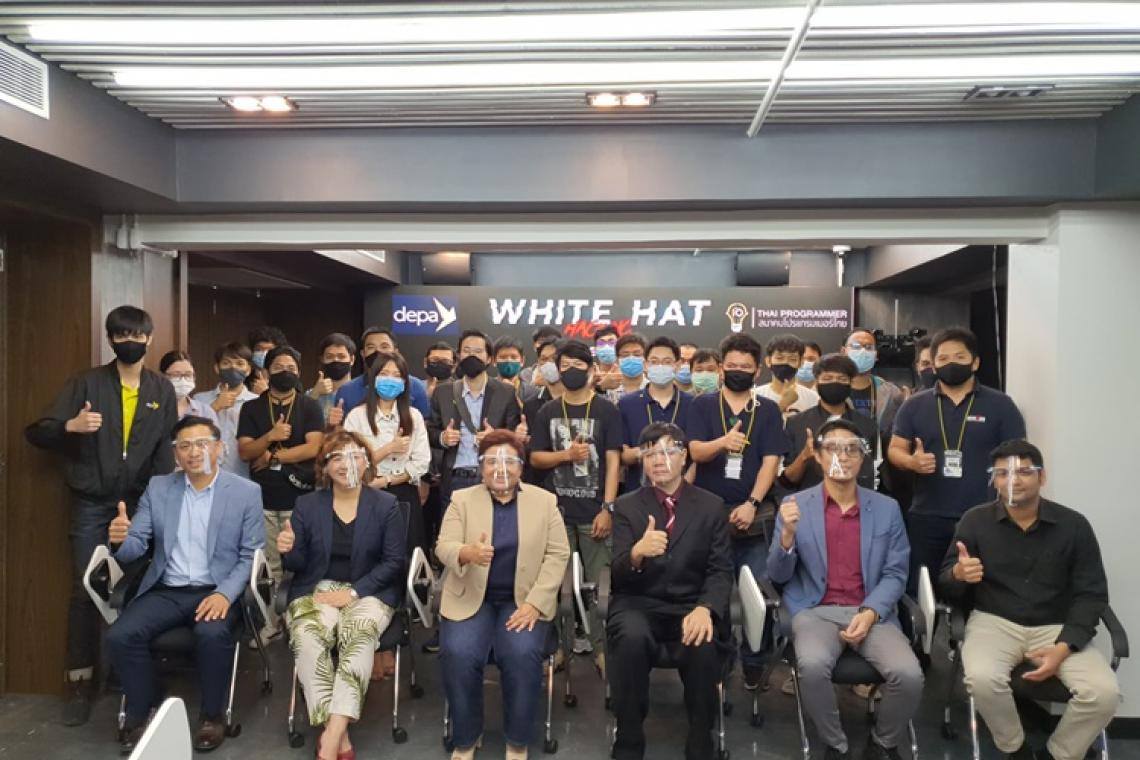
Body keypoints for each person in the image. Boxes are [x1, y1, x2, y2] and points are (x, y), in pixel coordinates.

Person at [24, 305, 178, 726]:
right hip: (92, 502)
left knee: (138, 586)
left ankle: (124, 673)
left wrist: (163, 502)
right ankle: (79, 680)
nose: (130, 341)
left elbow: (166, 449)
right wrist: (70, 427)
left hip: (142, 502)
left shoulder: (161, 388)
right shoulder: (85, 382)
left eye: (137, 335)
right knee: (86, 589)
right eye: (121, 335)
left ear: (149, 338)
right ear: (110, 340)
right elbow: (36, 432)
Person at [939, 439, 1118, 760]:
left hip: (1056, 625)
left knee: (1104, 694)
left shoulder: (1074, 525)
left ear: (1042, 476)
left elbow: (1092, 594)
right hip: (994, 621)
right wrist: (959, 575)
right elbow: (945, 585)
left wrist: (1064, 646)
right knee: (981, 679)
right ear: (994, 480)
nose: (1014, 480)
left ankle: (1057, 753)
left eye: (1024, 471)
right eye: (1003, 473)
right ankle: (1016, 749)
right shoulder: (974, 521)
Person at [106, 416, 264, 753]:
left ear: (219, 448)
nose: (194, 452)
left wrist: (225, 594)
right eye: (185, 446)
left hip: (216, 589)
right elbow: (136, 546)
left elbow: (250, 555)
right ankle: (142, 710)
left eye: (202, 443)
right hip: (167, 589)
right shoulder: (159, 488)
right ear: (176, 453)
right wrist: (120, 540)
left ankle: (212, 716)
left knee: (212, 634)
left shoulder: (245, 492)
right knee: (121, 635)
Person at [769, 419, 923, 760]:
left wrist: (871, 612)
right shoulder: (796, 505)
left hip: (871, 611)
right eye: (833, 448)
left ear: (862, 458)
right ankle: (835, 744)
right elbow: (777, 575)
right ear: (818, 456)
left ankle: (882, 743)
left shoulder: (886, 508)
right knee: (811, 667)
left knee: (909, 675)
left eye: (852, 449)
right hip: (815, 611)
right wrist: (787, 537)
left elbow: (896, 573)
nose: (843, 455)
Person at [436, 431, 571, 760]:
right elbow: (443, 545)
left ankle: (517, 740)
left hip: (523, 600)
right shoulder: (461, 499)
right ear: (480, 467)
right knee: (457, 652)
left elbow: (558, 554)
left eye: (509, 461)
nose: (500, 468)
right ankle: (467, 737)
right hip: (471, 597)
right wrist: (466, 552)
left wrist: (536, 603)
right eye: (491, 461)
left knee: (522, 654)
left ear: (521, 467)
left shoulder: (545, 502)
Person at [279, 431, 406, 760]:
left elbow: (394, 562)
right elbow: (296, 565)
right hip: (316, 588)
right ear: (324, 466)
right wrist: (288, 549)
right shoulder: (307, 505)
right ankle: (341, 735)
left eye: (354, 455)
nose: (345, 463)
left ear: (366, 462)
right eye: (336, 456)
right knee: (307, 635)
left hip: (369, 589)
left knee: (359, 635)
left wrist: (353, 592)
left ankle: (331, 737)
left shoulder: (386, 505)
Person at [609, 423, 733, 760]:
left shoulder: (710, 506)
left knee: (703, 642)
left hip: (691, 603)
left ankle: (701, 737)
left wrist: (706, 608)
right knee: (630, 638)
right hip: (638, 603)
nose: (658, 460)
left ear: (684, 457)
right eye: (649, 453)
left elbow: (721, 570)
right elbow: (617, 575)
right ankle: (629, 738)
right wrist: (637, 553)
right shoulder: (627, 506)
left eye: (667, 451)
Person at [888, 327, 1026, 593]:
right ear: (933, 364)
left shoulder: (1001, 405)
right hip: (928, 515)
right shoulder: (914, 405)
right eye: (943, 358)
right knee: (922, 589)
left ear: (975, 362)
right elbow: (895, 449)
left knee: (981, 587)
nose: (951, 363)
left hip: (985, 515)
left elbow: (1016, 455)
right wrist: (911, 462)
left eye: (959, 357)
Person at [687, 333, 788, 689]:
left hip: (754, 517)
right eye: (731, 365)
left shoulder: (768, 409)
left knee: (758, 594)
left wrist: (752, 503)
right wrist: (723, 442)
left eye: (745, 366)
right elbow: (695, 452)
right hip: (708, 516)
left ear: (757, 371)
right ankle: (719, 657)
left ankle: (755, 662)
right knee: (712, 591)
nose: (738, 371)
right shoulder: (701, 405)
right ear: (721, 368)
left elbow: (771, 462)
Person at [529, 339, 622, 673]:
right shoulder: (548, 411)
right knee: (555, 586)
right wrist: (566, 455)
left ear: (591, 370)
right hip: (556, 514)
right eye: (564, 365)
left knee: (600, 587)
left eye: (577, 365)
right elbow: (536, 458)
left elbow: (614, 462)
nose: (570, 371)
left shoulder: (606, 410)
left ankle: (601, 649)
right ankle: (558, 648)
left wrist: (608, 508)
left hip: (595, 513)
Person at [237, 345, 325, 642]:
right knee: (268, 563)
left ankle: (303, 620)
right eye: (278, 367)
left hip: (301, 497)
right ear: (266, 371)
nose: (285, 372)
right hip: (261, 498)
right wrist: (270, 437)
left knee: (303, 559)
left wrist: (273, 457)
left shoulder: (309, 406)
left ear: (299, 372)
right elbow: (246, 451)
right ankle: (272, 621)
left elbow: (314, 448)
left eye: (291, 368)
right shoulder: (252, 408)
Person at [344, 351, 431, 552]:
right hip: (365, 490)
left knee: (405, 553)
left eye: (396, 375)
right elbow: (349, 463)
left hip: (403, 492)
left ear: (404, 382)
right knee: (368, 551)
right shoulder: (357, 416)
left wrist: (387, 480)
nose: (390, 380)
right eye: (384, 374)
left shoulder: (414, 416)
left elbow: (421, 463)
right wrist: (389, 449)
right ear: (374, 378)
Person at [428, 329, 523, 508]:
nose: (472, 356)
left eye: (478, 351)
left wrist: (495, 437)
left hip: (493, 475)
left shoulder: (505, 392)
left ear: (489, 359)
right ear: (458, 356)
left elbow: (514, 435)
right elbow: (430, 430)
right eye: (467, 351)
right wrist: (443, 437)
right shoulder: (443, 392)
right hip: (454, 477)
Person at [781, 354, 878, 493]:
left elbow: (872, 476)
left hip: (856, 502)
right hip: (810, 502)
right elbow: (787, 480)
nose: (834, 383)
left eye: (841, 379)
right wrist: (804, 456)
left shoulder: (867, 426)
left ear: (851, 383)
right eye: (827, 378)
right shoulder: (796, 423)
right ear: (816, 382)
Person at [618, 336, 695, 492]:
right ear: (645, 365)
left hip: (683, 493)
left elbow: (696, 455)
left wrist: (681, 489)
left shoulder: (692, 404)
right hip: (638, 494)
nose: (660, 366)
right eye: (654, 361)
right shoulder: (626, 404)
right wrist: (648, 451)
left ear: (677, 365)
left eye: (667, 362)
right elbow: (623, 455)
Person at [193, 342, 259, 477]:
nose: (233, 367)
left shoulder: (257, 402)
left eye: (240, 363)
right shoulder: (200, 399)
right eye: (226, 363)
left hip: (244, 475)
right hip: (205, 474)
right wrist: (215, 407)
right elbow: (190, 431)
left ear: (248, 370)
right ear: (217, 368)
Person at [333, 327, 431, 418]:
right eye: (371, 347)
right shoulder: (346, 391)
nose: (378, 351)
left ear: (396, 352)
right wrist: (332, 425)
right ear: (363, 354)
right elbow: (340, 429)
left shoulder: (415, 386)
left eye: (384, 347)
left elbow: (424, 423)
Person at [841, 328, 905, 441]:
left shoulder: (892, 393)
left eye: (869, 347)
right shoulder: (831, 389)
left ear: (876, 355)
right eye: (856, 346)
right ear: (843, 351)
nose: (862, 351)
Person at [522, 337, 564, 486]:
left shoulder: (580, 401)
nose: (549, 364)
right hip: (540, 482)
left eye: (554, 358)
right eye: (543, 359)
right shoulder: (531, 405)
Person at [755, 334, 821, 420]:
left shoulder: (814, 398)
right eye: (779, 358)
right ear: (768, 361)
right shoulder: (754, 396)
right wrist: (783, 404)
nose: (785, 363)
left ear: (801, 362)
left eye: (792, 359)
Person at [308, 332, 357, 425]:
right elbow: (301, 424)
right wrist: (315, 393)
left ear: (352, 360)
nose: (335, 360)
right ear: (322, 360)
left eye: (341, 356)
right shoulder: (312, 394)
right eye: (329, 357)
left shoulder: (362, 392)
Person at [159, 350, 219, 424]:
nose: (183, 380)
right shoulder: (153, 409)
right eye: (176, 375)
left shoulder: (205, 411)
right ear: (162, 377)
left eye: (188, 375)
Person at [494, 335, 540, 405]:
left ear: (522, 361)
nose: (509, 360)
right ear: (494, 361)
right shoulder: (485, 389)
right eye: (503, 357)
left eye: (514, 357)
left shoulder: (533, 393)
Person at [607, 332, 649, 403]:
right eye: (625, 355)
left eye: (637, 354)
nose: (631, 358)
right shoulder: (609, 390)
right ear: (617, 360)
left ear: (646, 359)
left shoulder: (652, 389)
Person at [247, 325, 288, 396]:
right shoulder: (243, 378)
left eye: (269, 350)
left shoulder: (286, 380)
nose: (264, 354)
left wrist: (265, 393)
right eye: (259, 349)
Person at [593, 324, 623, 393]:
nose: (606, 346)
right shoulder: (591, 376)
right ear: (595, 349)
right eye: (601, 343)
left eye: (612, 342)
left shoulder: (628, 373)